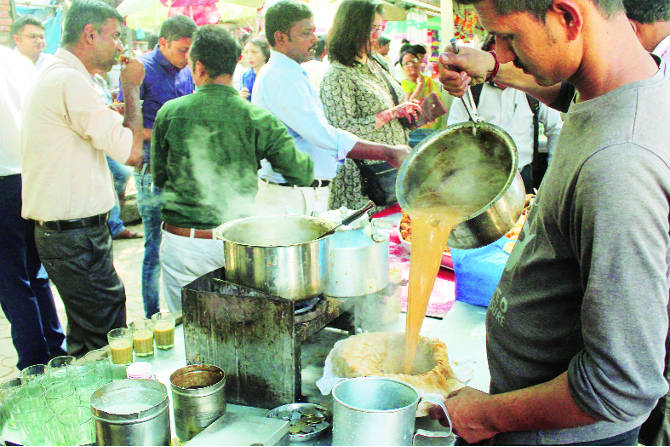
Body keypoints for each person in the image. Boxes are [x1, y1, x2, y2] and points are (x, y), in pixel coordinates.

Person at [430, 0, 670, 444]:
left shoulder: (619, 167)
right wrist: (488, 69)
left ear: (567, 17)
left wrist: (487, 416)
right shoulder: (614, 87)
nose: (499, 52)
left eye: (509, 37)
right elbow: (567, 92)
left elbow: (620, 385)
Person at [152, 26, 315, 312]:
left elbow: (160, 178)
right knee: (237, 331)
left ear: (199, 66)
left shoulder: (170, 112)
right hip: (238, 245)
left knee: (186, 334)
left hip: (183, 244)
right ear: (237, 61)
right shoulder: (256, 116)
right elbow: (301, 173)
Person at [21, 0, 144, 357]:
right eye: (115, 36)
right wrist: (132, 88)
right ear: (90, 35)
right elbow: (131, 152)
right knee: (107, 336)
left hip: (71, 235)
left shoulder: (61, 76)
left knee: (89, 334)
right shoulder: (68, 80)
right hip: (75, 236)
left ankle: (85, 403)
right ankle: (104, 408)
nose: (120, 46)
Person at [252, 0, 411, 216]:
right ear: (281, 38)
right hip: (292, 197)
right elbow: (324, 135)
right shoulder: (280, 76)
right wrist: (387, 152)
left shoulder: (292, 73)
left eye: (314, 32)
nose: (314, 39)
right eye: (306, 33)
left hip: (303, 193)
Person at [118, 14, 197, 318]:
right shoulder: (140, 71)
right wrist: (168, 130)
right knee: (154, 247)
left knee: (183, 240)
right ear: (163, 42)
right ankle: (153, 317)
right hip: (151, 170)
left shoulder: (186, 71)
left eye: (191, 52)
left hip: (181, 169)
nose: (187, 58)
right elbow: (127, 126)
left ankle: (181, 311)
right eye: (181, 50)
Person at [0, 45, 67, 371]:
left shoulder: (16, 59)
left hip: (4, 178)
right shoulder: (16, 60)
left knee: (11, 279)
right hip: (31, 174)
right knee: (34, 273)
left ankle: (34, 361)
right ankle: (55, 348)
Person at [320, 0, 419, 212]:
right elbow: (340, 133)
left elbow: (394, 102)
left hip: (392, 172)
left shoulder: (377, 63)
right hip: (364, 182)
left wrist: (406, 113)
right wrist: (390, 114)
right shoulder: (337, 74)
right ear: (352, 27)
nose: (377, 35)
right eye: (372, 28)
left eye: (379, 28)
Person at [446, 36, 562, 193]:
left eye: (506, 60)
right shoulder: (470, 92)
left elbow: (556, 129)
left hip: (522, 177)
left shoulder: (534, 89)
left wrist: (553, 174)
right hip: (480, 181)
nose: (500, 66)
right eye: (493, 61)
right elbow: (452, 135)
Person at [398, 46, 446, 147]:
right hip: (417, 132)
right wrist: (420, 86)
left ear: (420, 62)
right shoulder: (404, 84)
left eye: (414, 60)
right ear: (402, 68)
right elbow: (408, 106)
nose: (411, 65)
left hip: (435, 128)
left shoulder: (428, 80)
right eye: (406, 63)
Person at [239, 35, 270, 101]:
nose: (249, 56)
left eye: (254, 52)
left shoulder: (272, 75)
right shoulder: (246, 76)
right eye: (246, 52)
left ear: (265, 55)